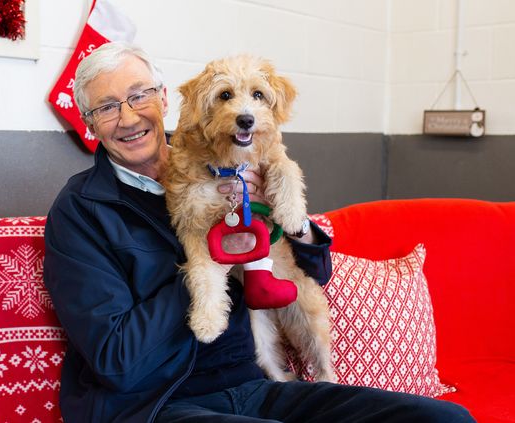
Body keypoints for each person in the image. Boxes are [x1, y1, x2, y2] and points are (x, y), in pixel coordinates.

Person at [43, 41, 475, 423]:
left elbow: (312, 274)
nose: (128, 116)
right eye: (106, 107)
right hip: (157, 403)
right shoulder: (81, 212)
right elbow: (114, 360)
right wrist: (211, 262)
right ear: (89, 122)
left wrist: (293, 220)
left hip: (254, 383)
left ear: (162, 98)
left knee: (444, 418)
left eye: (139, 96)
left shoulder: (227, 151)